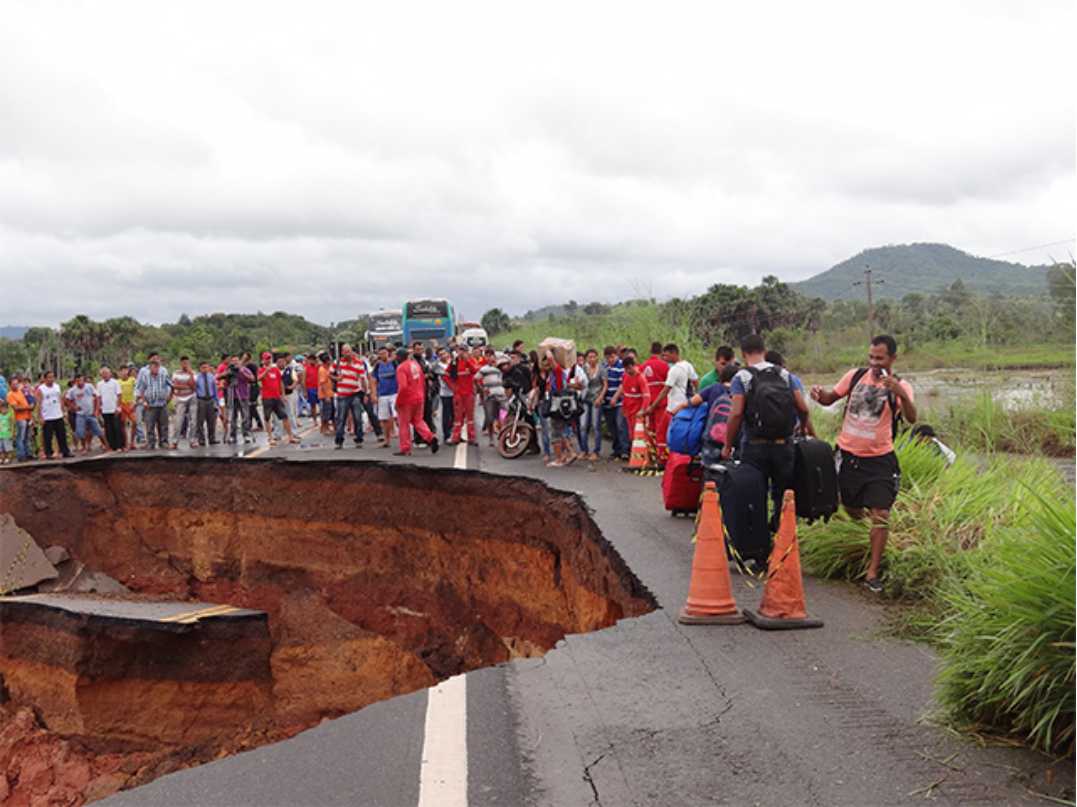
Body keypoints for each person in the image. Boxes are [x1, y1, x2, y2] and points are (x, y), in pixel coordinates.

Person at [810, 335, 917, 593]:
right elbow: (830, 398)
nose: (874, 363)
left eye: (880, 358)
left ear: (892, 358)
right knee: (852, 508)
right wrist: (819, 394)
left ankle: (872, 572)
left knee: (881, 515)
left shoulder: (901, 385)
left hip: (880, 460)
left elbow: (912, 418)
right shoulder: (856, 376)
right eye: (871, 357)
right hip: (848, 457)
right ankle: (861, 542)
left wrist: (901, 394)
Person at [721, 334, 814, 559]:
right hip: (784, 446)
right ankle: (784, 546)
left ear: (743, 354)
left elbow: (735, 414)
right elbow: (802, 406)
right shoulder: (784, 374)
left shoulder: (741, 377)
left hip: (754, 446)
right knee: (783, 496)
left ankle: (761, 553)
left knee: (756, 497)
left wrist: (727, 445)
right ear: (764, 350)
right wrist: (803, 428)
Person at [394, 347, 439, 456]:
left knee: (404, 424)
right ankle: (430, 437)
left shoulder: (401, 368)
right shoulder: (415, 365)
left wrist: (398, 401)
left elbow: (403, 387)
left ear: (400, 357)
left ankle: (405, 448)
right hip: (419, 397)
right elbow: (423, 380)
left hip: (407, 400)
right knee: (418, 421)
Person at [330, 344, 369, 450]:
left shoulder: (359, 363)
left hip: (355, 393)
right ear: (342, 352)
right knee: (341, 418)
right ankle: (339, 441)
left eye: (349, 351)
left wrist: (365, 393)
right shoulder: (337, 363)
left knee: (358, 418)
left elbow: (363, 379)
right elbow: (330, 374)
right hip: (342, 394)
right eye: (345, 351)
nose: (347, 353)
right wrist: (336, 378)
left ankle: (359, 439)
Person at [610, 356, 650, 450]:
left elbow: (647, 396)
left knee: (639, 432)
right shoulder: (625, 375)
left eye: (629, 368)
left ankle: (643, 454)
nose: (627, 371)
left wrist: (642, 410)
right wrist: (615, 397)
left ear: (633, 366)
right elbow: (623, 387)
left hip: (637, 410)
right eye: (625, 369)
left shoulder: (640, 378)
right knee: (630, 432)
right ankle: (633, 453)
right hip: (628, 408)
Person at [260, 352, 300, 447]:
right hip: (267, 397)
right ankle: (270, 438)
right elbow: (258, 378)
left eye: (269, 358)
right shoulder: (261, 369)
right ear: (263, 360)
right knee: (267, 418)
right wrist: (266, 371)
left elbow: (280, 382)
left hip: (277, 397)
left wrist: (282, 394)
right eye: (266, 359)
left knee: (284, 416)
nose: (268, 360)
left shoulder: (275, 370)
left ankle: (290, 436)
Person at [640, 342, 671, 465]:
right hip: (661, 403)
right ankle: (661, 456)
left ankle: (650, 456)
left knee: (649, 429)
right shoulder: (665, 366)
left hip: (648, 403)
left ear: (650, 350)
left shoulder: (643, 366)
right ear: (661, 352)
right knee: (661, 429)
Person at [136, 354, 172, 450]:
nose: (154, 369)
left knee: (164, 425)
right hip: (150, 404)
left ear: (159, 367)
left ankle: (164, 442)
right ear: (149, 368)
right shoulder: (145, 376)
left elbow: (171, 385)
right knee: (150, 425)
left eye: (156, 367)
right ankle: (151, 443)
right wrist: (144, 401)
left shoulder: (163, 374)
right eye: (152, 367)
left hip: (162, 403)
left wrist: (170, 397)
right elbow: (141, 389)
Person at [599, 346, 628, 460]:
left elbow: (623, 384)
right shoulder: (604, 367)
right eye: (607, 357)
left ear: (616, 355)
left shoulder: (621, 366)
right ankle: (617, 449)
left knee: (621, 425)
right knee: (612, 427)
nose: (610, 360)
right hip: (607, 401)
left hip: (619, 402)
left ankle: (625, 450)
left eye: (612, 357)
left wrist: (615, 397)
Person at [66, 374, 107, 454]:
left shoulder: (89, 387)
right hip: (80, 414)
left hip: (91, 413)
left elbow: (97, 397)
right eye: (78, 381)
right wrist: (73, 407)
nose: (80, 382)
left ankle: (106, 445)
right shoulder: (73, 390)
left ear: (83, 380)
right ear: (75, 381)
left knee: (98, 430)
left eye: (81, 380)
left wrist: (96, 410)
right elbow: (67, 399)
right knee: (80, 432)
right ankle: (84, 447)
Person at [36, 370, 72, 459]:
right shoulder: (41, 389)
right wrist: (40, 416)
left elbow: (60, 400)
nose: (51, 379)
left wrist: (64, 412)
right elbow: (39, 403)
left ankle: (65, 451)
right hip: (47, 416)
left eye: (52, 377)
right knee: (47, 436)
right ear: (45, 379)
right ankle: (48, 452)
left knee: (62, 434)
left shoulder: (57, 387)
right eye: (49, 377)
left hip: (58, 414)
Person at [577, 349, 605, 461]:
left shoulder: (602, 369)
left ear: (597, 357)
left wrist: (600, 397)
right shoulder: (583, 368)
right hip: (585, 399)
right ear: (586, 358)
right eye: (590, 357)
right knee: (583, 426)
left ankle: (596, 451)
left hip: (596, 400)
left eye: (594, 356)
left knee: (596, 426)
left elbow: (605, 385)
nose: (592, 359)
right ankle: (584, 450)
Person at [449, 345, 480, 445]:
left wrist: (468, 361)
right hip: (458, 394)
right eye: (460, 350)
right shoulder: (454, 362)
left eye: (464, 351)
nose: (461, 353)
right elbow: (446, 375)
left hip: (469, 393)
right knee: (458, 417)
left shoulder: (470, 361)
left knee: (470, 417)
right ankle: (455, 437)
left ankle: (471, 438)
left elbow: (476, 370)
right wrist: (452, 387)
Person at [477, 349, 508, 447]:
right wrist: (482, 389)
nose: (491, 358)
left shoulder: (502, 368)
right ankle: (491, 438)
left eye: (492, 356)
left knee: (503, 417)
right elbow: (475, 379)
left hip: (502, 397)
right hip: (490, 397)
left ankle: (503, 438)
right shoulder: (484, 369)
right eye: (488, 356)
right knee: (490, 418)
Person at [373, 346, 398, 448]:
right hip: (382, 394)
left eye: (384, 353)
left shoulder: (394, 363)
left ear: (388, 353)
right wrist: (374, 394)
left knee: (397, 417)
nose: (383, 355)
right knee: (384, 419)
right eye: (380, 353)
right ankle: (387, 440)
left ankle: (405, 438)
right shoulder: (377, 366)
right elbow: (373, 380)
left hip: (394, 393)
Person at [170, 356, 197, 449]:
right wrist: (186, 386)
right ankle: (175, 441)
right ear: (181, 363)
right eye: (184, 363)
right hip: (180, 398)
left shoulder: (193, 373)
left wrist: (190, 375)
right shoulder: (176, 373)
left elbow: (194, 387)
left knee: (193, 420)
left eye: (187, 363)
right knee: (178, 421)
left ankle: (192, 440)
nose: (185, 365)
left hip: (192, 397)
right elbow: (175, 386)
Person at [96, 367, 124, 451]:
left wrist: (118, 407)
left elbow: (119, 395)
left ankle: (119, 446)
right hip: (105, 409)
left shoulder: (115, 382)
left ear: (110, 374)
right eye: (103, 374)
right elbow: (99, 397)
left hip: (114, 409)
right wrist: (99, 408)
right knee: (108, 428)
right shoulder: (99, 384)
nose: (105, 375)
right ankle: (112, 446)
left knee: (117, 427)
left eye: (106, 373)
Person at [7, 375, 33, 462]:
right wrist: (28, 407)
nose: (16, 385)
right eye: (13, 384)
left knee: (27, 437)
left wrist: (31, 406)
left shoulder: (20, 392)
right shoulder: (10, 395)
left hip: (27, 416)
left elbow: (29, 400)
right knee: (20, 437)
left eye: (17, 384)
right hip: (20, 418)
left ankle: (27, 453)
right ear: (10, 385)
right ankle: (21, 455)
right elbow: (16, 408)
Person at [193, 360, 219, 446]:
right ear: (200, 369)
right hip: (201, 400)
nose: (205, 369)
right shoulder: (196, 378)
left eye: (206, 367)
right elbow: (195, 390)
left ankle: (212, 438)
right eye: (203, 368)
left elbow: (214, 389)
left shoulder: (211, 376)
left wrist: (216, 402)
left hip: (211, 400)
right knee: (200, 421)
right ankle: (201, 439)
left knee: (212, 421)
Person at [434, 347, 455, 442]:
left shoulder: (453, 362)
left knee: (455, 414)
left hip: (455, 392)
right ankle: (446, 435)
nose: (443, 356)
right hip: (445, 393)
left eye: (444, 353)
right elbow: (447, 376)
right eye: (440, 354)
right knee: (446, 414)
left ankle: (455, 433)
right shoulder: (438, 366)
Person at [118, 365, 138, 450]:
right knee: (123, 424)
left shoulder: (132, 380)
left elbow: (137, 390)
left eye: (125, 371)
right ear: (119, 372)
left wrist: (135, 402)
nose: (124, 372)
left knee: (135, 422)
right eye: (122, 371)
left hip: (131, 403)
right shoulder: (117, 382)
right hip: (122, 404)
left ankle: (132, 442)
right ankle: (125, 443)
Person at [317, 352, 334, 435]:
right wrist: (326, 396)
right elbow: (322, 383)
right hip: (325, 395)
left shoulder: (329, 368)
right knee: (326, 413)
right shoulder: (322, 370)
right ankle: (324, 428)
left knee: (330, 412)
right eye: (329, 360)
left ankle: (326, 428)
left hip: (331, 393)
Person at [304, 353, 321, 421]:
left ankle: (323, 419)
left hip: (318, 388)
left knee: (321, 405)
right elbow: (304, 380)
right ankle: (315, 420)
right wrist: (305, 391)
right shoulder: (306, 368)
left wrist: (317, 359)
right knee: (312, 405)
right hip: (310, 388)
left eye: (313, 360)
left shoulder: (318, 367)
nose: (311, 361)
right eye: (310, 360)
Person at [0, 399, 14, 463]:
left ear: (7, 409)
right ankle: (2, 458)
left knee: (8, 448)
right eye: (2, 409)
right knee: (1, 449)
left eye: (5, 409)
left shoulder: (9, 415)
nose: (3, 410)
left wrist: (12, 433)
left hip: (7, 434)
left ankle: (9, 459)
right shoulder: (0, 416)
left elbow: (11, 425)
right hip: (1, 435)